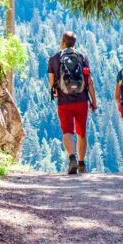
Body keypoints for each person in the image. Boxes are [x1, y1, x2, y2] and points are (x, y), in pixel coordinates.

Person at [48, 31, 98, 174]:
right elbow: (89, 81)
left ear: (62, 42)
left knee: (67, 132)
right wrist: (94, 101)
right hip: (81, 101)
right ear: (74, 43)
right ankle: (82, 164)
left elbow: (52, 83)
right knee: (82, 133)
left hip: (64, 102)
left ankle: (72, 159)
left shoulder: (55, 58)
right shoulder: (82, 58)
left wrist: (56, 93)